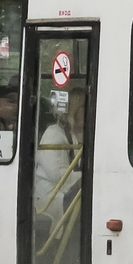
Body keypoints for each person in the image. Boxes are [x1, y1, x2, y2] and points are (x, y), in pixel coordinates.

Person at [34, 86, 86, 221]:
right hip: (52, 195)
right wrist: (88, 179)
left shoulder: (89, 134)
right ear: (74, 110)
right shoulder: (54, 133)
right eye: (85, 106)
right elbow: (57, 175)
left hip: (75, 193)